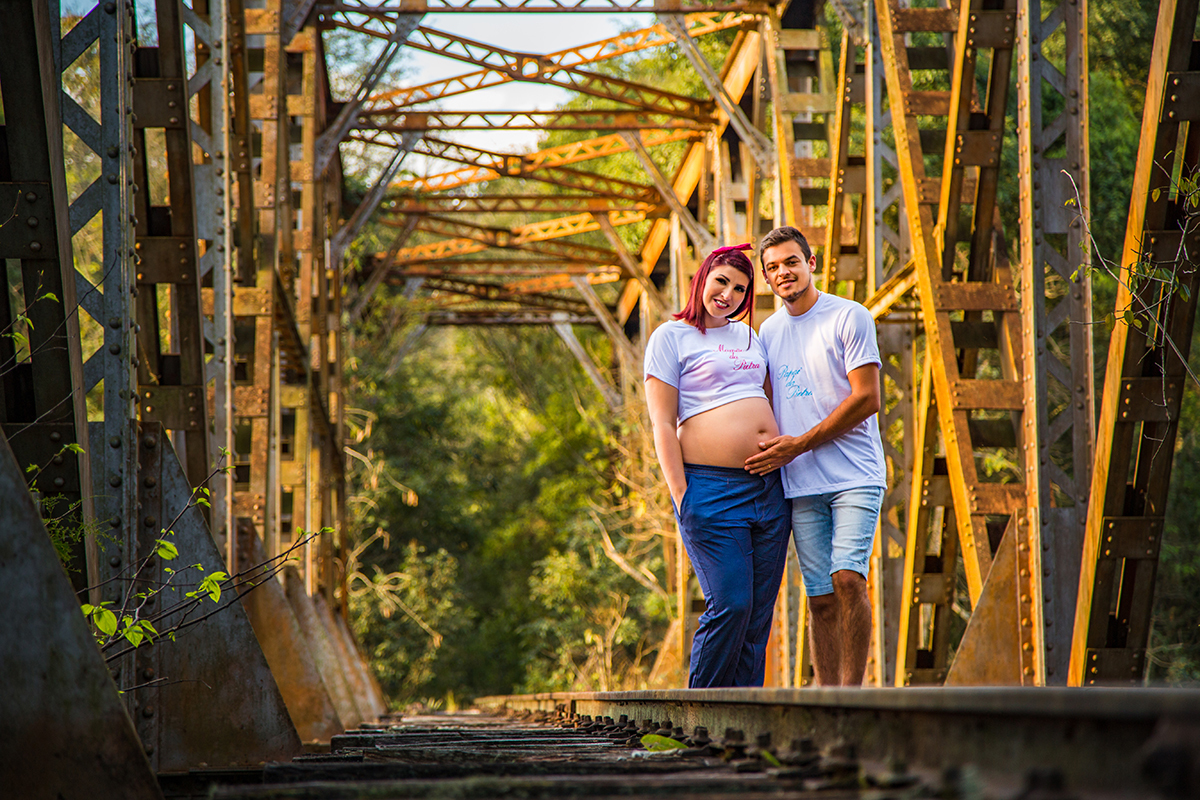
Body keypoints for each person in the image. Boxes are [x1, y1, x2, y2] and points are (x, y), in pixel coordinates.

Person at [643, 243, 791, 688]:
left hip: (768, 489)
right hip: (710, 488)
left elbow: (764, 398)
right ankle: (698, 712)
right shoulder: (670, 337)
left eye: (740, 288)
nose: (728, 294)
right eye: (721, 281)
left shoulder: (750, 337)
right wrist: (682, 493)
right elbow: (663, 423)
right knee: (730, 603)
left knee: (757, 615)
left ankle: (742, 724)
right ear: (702, 278)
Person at [746, 226, 885, 687]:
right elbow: (760, 401)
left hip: (855, 474)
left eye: (790, 262)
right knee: (820, 597)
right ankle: (825, 699)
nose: (782, 272)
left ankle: (853, 694)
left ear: (812, 262)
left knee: (848, 579)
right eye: (772, 268)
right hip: (801, 482)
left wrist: (799, 443)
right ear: (766, 280)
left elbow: (868, 399)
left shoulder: (849, 316)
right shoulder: (768, 332)